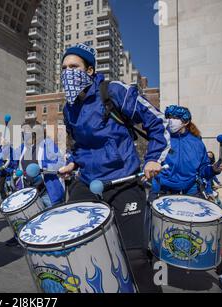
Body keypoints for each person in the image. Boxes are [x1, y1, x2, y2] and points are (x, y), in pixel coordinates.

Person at [57, 44, 171, 293]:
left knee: (136, 258)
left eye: (74, 67)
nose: (68, 72)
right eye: (64, 68)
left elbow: (158, 122)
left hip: (124, 181)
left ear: (89, 70)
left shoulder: (114, 91)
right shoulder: (68, 108)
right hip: (87, 183)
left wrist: (153, 158)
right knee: (81, 252)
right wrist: (73, 162)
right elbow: (78, 143)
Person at [150, 105, 222, 293]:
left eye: (174, 117)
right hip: (163, 190)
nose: (170, 120)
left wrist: (213, 169)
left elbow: (203, 170)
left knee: (208, 234)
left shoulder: (197, 143)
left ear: (185, 122)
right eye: (168, 117)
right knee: (157, 236)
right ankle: (158, 280)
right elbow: (152, 161)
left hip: (190, 191)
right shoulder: (161, 139)